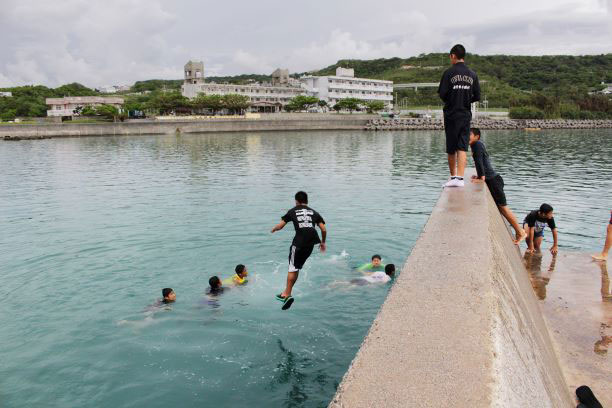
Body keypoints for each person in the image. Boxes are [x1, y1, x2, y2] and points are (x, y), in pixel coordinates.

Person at [271, 191, 327, 310]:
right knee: (296, 268)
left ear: (296, 201)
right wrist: (323, 242)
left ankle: (287, 294)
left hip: (299, 244)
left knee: (292, 268)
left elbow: (280, 226)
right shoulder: (314, 212)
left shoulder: (292, 211)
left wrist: (274, 229)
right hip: (311, 243)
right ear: (307, 201)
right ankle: (286, 293)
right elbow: (323, 229)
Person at [469, 128, 526, 244]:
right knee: (501, 208)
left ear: (477, 136)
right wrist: (479, 175)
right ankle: (519, 231)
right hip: (492, 179)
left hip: (494, 180)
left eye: (469, 134)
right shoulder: (476, 145)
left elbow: (480, 161)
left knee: (503, 208)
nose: (466, 136)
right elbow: (481, 162)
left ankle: (521, 232)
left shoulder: (478, 145)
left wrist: (481, 177)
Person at [438, 44, 481, 188]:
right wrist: (465, 99)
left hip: (451, 113)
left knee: (451, 147)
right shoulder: (472, 74)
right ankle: (461, 179)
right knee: (462, 146)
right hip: (465, 113)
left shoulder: (448, 73)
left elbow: (442, 93)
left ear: (453, 55)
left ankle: (453, 177)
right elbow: (477, 96)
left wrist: (453, 100)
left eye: (450, 56)